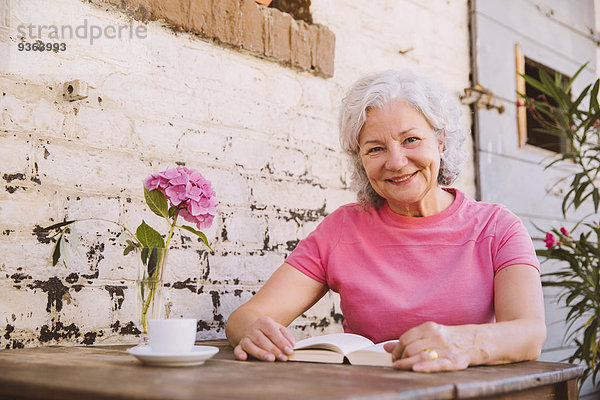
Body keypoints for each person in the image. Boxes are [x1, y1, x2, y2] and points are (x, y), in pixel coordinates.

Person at [225, 69, 546, 372]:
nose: (396, 162)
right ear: (360, 160)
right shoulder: (341, 229)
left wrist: (462, 342)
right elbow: (244, 317)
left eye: (411, 140)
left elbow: (529, 333)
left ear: (441, 142)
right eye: (376, 149)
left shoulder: (497, 227)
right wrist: (253, 330)